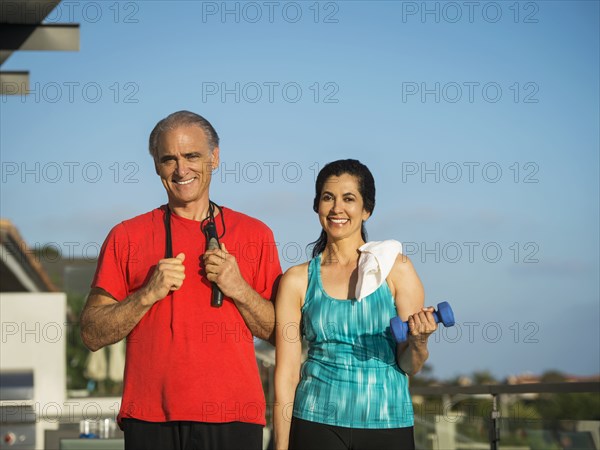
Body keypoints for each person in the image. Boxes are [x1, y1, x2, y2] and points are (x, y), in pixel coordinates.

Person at [80, 110, 282, 450]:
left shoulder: (256, 234)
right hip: (149, 417)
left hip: (234, 416)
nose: (181, 169)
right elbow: (91, 333)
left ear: (215, 158)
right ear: (156, 166)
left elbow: (280, 332)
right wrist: (147, 293)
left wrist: (240, 289)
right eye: (168, 159)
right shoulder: (126, 235)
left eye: (192, 156)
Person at [274, 159, 437, 450]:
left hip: (387, 422)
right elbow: (286, 376)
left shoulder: (397, 269)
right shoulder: (297, 280)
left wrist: (420, 342)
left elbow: (409, 364)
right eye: (328, 198)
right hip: (315, 422)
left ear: (366, 210)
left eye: (349, 199)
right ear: (317, 207)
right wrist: (281, 446)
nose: (337, 208)